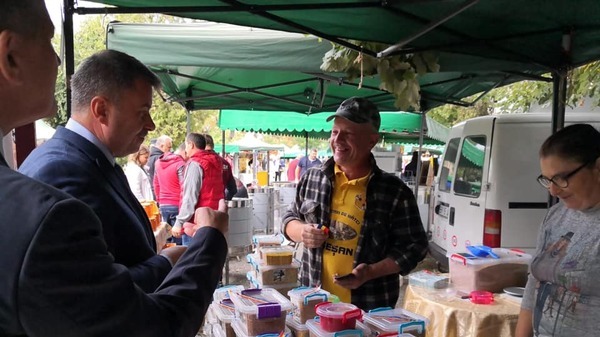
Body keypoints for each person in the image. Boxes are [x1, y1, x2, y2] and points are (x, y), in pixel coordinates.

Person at [0, 1, 228, 336]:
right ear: (10, 56)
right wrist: (202, 245)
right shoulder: (57, 178)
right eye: (49, 41)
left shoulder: (89, 162)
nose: (58, 60)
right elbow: (122, 311)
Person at [19, 49, 184, 292]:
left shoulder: (91, 161)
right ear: (101, 110)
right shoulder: (63, 172)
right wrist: (168, 262)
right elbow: (93, 292)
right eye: (141, 113)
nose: (150, 125)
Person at [281, 97, 428, 311]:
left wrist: (371, 272)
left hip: (368, 307)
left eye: (348, 134)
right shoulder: (312, 178)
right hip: (313, 303)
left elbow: (415, 247)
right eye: (334, 132)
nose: (338, 140)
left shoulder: (394, 191)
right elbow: (288, 219)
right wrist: (301, 231)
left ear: (371, 141)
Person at [515, 124, 600, 337]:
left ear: (597, 168)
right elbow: (534, 284)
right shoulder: (554, 216)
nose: (553, 190)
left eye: (562, 178)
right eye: (548, 180)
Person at [174, 133, 225, 245]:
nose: (185, 149)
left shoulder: (195, 164)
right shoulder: (216, 162)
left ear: (191, 145)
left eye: (186, 145)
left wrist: (179, 222)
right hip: (213, 221)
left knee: (192, 260)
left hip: (196, 225)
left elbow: (190, 197)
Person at [154, 141, 187, 244]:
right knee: (178, 237)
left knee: (166, 238)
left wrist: (159, 200)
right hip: (177, 204)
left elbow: (156, 183)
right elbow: (183, 185)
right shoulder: (180, 164)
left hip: (163, 205)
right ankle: (178, 258)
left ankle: (167, 258)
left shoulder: (158, 163)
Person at [203, 133, 237, 200]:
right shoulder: (225, 163)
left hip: (201, 206)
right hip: (219, 204)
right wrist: (224, 200)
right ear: (213, 145)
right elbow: (233, 189)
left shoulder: (197, 162)